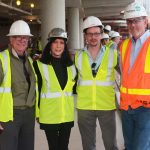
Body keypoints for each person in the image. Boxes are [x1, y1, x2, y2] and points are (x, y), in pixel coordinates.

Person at [75, 16, 118, 150]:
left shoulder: (113, 54)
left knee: (111, 144)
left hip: (106, 105)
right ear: (85, 36)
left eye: (96, 33)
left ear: (101, 34)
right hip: (84, 106)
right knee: (88, 146)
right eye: (90, 34)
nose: (93, 37)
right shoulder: (78, 56)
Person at [33, 27, 76, 150]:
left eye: (61, 42)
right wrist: (37, 113)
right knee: (53, 147)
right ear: (50, 44)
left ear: (65, 45)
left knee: (64, 147)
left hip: (66, 115)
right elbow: (37, 90)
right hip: (49, 115)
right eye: (55, 42)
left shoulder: (71, 67)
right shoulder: (39, 65)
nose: (58, 46)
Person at [0, 20, 38, 150]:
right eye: (17, 37)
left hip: (28, 114)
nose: (22, 40)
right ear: (11, 39)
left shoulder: (30, 61)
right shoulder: (2, 59)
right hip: (10, 115)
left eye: (25, 37)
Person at [120, 2, 150, 150]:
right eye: (129, 21)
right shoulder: (124, 45)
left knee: (141, 147)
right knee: (129, 146)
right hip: (127, 107)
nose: (133, 25)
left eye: (137, 20)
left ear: (145, 21)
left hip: (147, 108)